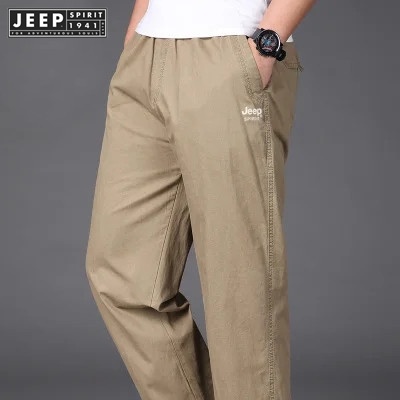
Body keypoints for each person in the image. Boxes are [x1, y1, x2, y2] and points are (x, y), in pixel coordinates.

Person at [85, 0, 316, 399]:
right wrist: (138, 31)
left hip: (231, 45)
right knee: (122, 277)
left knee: (239, 286)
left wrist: (267, 43)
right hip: (148, 52)